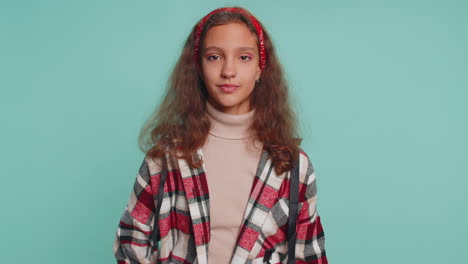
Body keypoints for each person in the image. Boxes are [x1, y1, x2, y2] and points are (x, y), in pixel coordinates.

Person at [113, 6, 328, 264]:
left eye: (244, 57)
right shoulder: (166, 158)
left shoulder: (293, 165)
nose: (229, 70)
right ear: (198, 68)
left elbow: (310, 255)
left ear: (260, 68)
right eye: (214, 57)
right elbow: (131, 240)